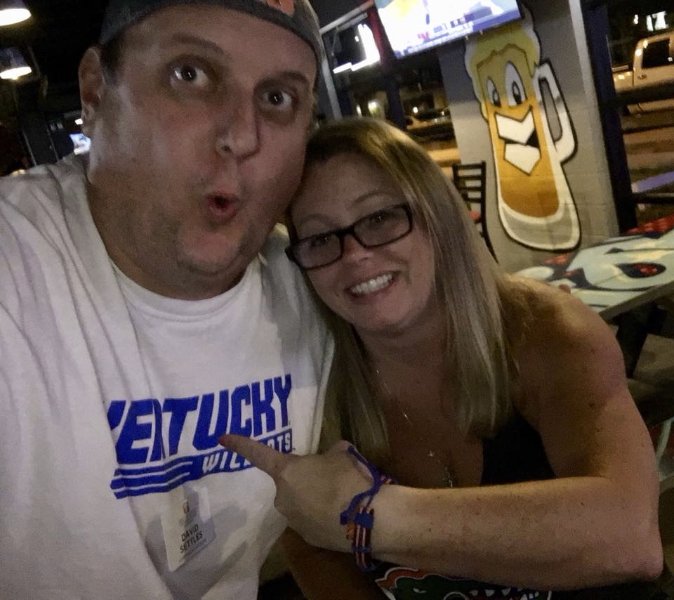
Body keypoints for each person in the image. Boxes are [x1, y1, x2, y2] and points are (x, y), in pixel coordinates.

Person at [221, 117, 664, 599]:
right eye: (320, 239)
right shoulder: (314, 389)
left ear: (437, 218)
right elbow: (309, 542)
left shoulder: (543, 331)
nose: (355, 255)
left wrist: (367, 516)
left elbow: (630, 537)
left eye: (379, 218)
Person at [0, 1, 333, 598]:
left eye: (277, 98)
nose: (242, 136)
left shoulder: (321, 283)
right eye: (191, 74)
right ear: (95, 91)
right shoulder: (15, 263)